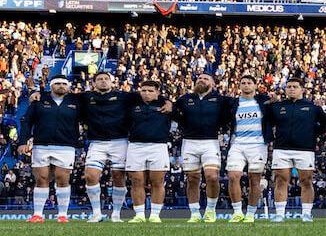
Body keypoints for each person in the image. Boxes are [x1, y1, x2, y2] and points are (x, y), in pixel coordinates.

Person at [18, 75, 83, 223]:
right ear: (50, 85)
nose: (61, 86)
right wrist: (22, 141)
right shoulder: (39, 100)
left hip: (66, 146)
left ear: (68, 86)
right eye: (57, 83)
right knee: (41, 179)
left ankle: (62, 215)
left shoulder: (76, 102)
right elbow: (27, 122)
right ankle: (37, 215)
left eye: (64, 83)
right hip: (41, 145)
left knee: (63, 178)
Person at [265, 78, 326, 223]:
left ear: (302, 89)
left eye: (295, 86)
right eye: (289, 87)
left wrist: (314, 133)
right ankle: (279, 214)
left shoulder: (312, 107)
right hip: (281, 149)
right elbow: (266, 122)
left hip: (305, 149)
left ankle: (306, 214)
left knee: (306, 181)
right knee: (280, 181)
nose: (291, 89)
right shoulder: (277, 107)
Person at [80, 71, 136, 222]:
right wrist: (37, 95)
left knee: (119, 177)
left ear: (112, 82)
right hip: (96, 143)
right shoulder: (86, 97)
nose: (103, 81)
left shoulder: (124, 96)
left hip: (120, 141)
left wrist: (167, 101)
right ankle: (97, 213)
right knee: (90, 176)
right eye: (100, 79)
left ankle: (116, 214)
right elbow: (64, 97)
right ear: (94, 83)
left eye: (106, 79)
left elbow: (146, 96)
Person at [172, 73, 225, 222]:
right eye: (199, 78)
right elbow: (174, 112)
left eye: (206, 79)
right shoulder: (185, 99)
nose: (201, 80)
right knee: (192, 178)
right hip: (189, 142)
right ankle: (194, 213)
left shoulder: (220, 100)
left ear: (213, 84)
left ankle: (210, 210)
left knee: (212, 177)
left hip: (211, 142)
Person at [222, 74, 272, 222]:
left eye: (249, 82)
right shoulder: (234, 103)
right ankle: (237, 212)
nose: (246, 85)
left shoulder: (263, 101)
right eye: (243, 82)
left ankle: (250, 214)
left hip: (258, 145)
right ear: (239, 86)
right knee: (232, 176)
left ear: (255, 85)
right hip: (238, 144)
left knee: (254, 179)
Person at [124, 80, 173, 223]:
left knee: (157, 181)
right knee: (136, 181)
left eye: (150, 91)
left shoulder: (166, 105)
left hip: (158, 146)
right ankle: (139, 215)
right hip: (135, 146)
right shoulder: (132, 103)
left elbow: (177, 108)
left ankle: (155, 215)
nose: (146, 93)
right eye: (143, 90)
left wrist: (169, 102)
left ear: (158, 92)